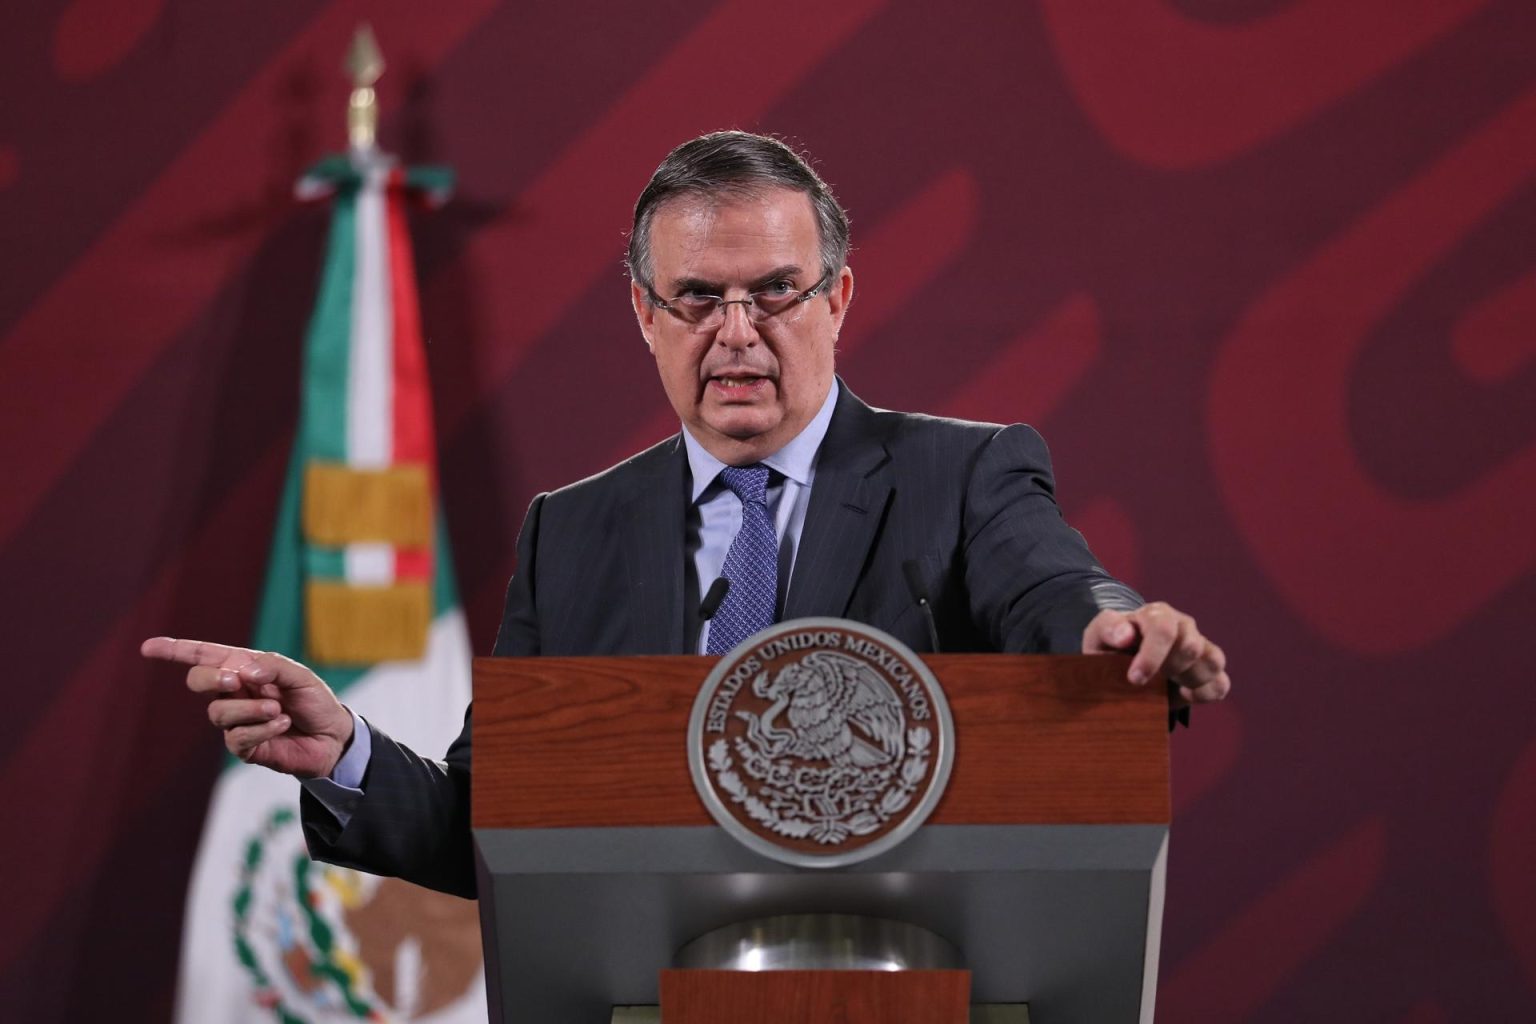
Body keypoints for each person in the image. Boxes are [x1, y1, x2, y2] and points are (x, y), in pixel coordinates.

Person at [144, 131, 1231, 899]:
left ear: (840, 299)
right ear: (644, 314)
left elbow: (1050, 588)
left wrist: (1109, 630)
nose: (739, 333)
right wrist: (345, 752)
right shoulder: (571, 533)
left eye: (777, 292)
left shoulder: (964, 475)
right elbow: (497, 825)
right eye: (699, 299)